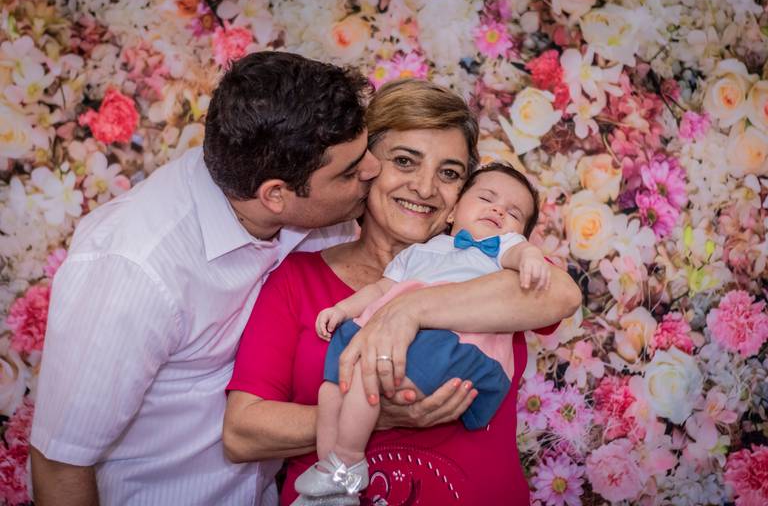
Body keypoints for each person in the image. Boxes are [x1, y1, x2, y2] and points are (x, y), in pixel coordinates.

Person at [29, 51, 381, 506]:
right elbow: (59, 462)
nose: (373, 169)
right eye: (350, 171)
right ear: (275, 195)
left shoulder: (319, 211)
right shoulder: (134, 268)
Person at [223, 79, 582, 505]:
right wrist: (373, 414)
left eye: (449, 173)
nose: (425, 188)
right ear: (365, 166)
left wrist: (409, 309)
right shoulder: (298, 279)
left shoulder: (491, 262)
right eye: (405, 161)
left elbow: (562, 296)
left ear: (460, 195)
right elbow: (242, 434)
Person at [295, 163, 551, 502]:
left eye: (513, 213)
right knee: (330, 392)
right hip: (391, 332)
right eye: (486, 198)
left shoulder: (502, 251)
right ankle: (332, 481)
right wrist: (343, 309)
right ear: (452, 212)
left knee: (365, 380)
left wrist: (530, 256)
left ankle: (349, 460)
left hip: (452, 343)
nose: (498, 210)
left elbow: (522, 253)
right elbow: (381, 289)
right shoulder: (419, 252)